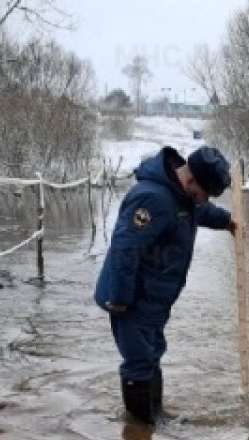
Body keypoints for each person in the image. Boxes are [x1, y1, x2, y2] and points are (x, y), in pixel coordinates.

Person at [93, 145, 240, 425]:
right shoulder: (153, 198)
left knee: (152, 353)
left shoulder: (181, 195)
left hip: (154, 298)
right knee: (139, 360)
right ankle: (139, 431)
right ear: (191, 180)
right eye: (204, 193)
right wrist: (121, 298)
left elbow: (199, 211)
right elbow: (126, 248)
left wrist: (226, 222)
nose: (205, 200)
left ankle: (154, 417)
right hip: (132, 298)